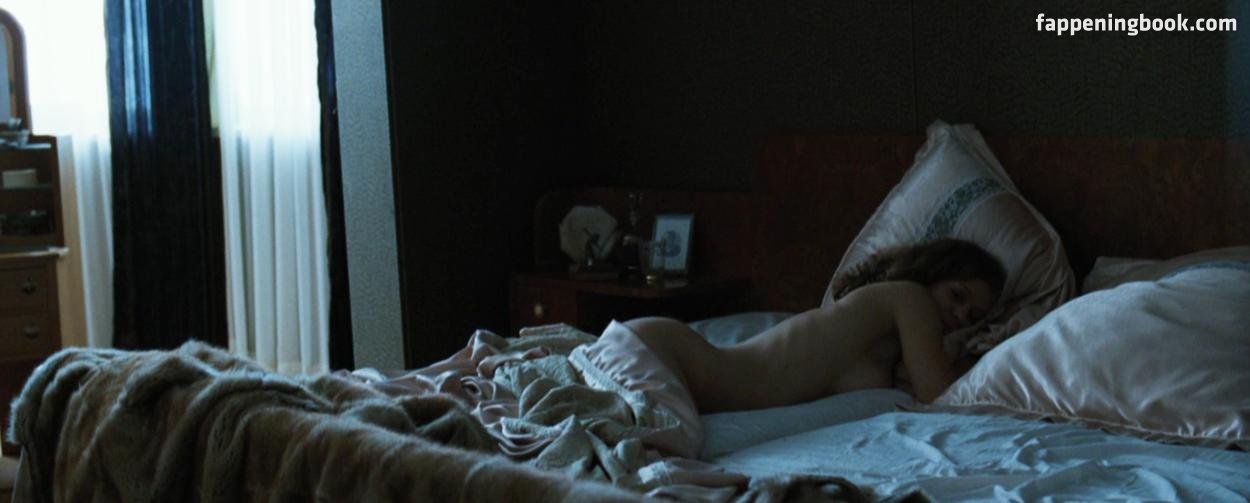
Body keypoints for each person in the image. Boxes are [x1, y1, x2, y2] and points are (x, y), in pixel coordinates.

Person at [619, 238, 1005, 413]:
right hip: (671, 358)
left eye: (971, 317)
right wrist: (986, 356)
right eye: (957, 295)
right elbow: (940, 395)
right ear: (935, 274)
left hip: (665, 353)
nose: (959, 315)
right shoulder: (911, 298)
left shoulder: (888, 331)